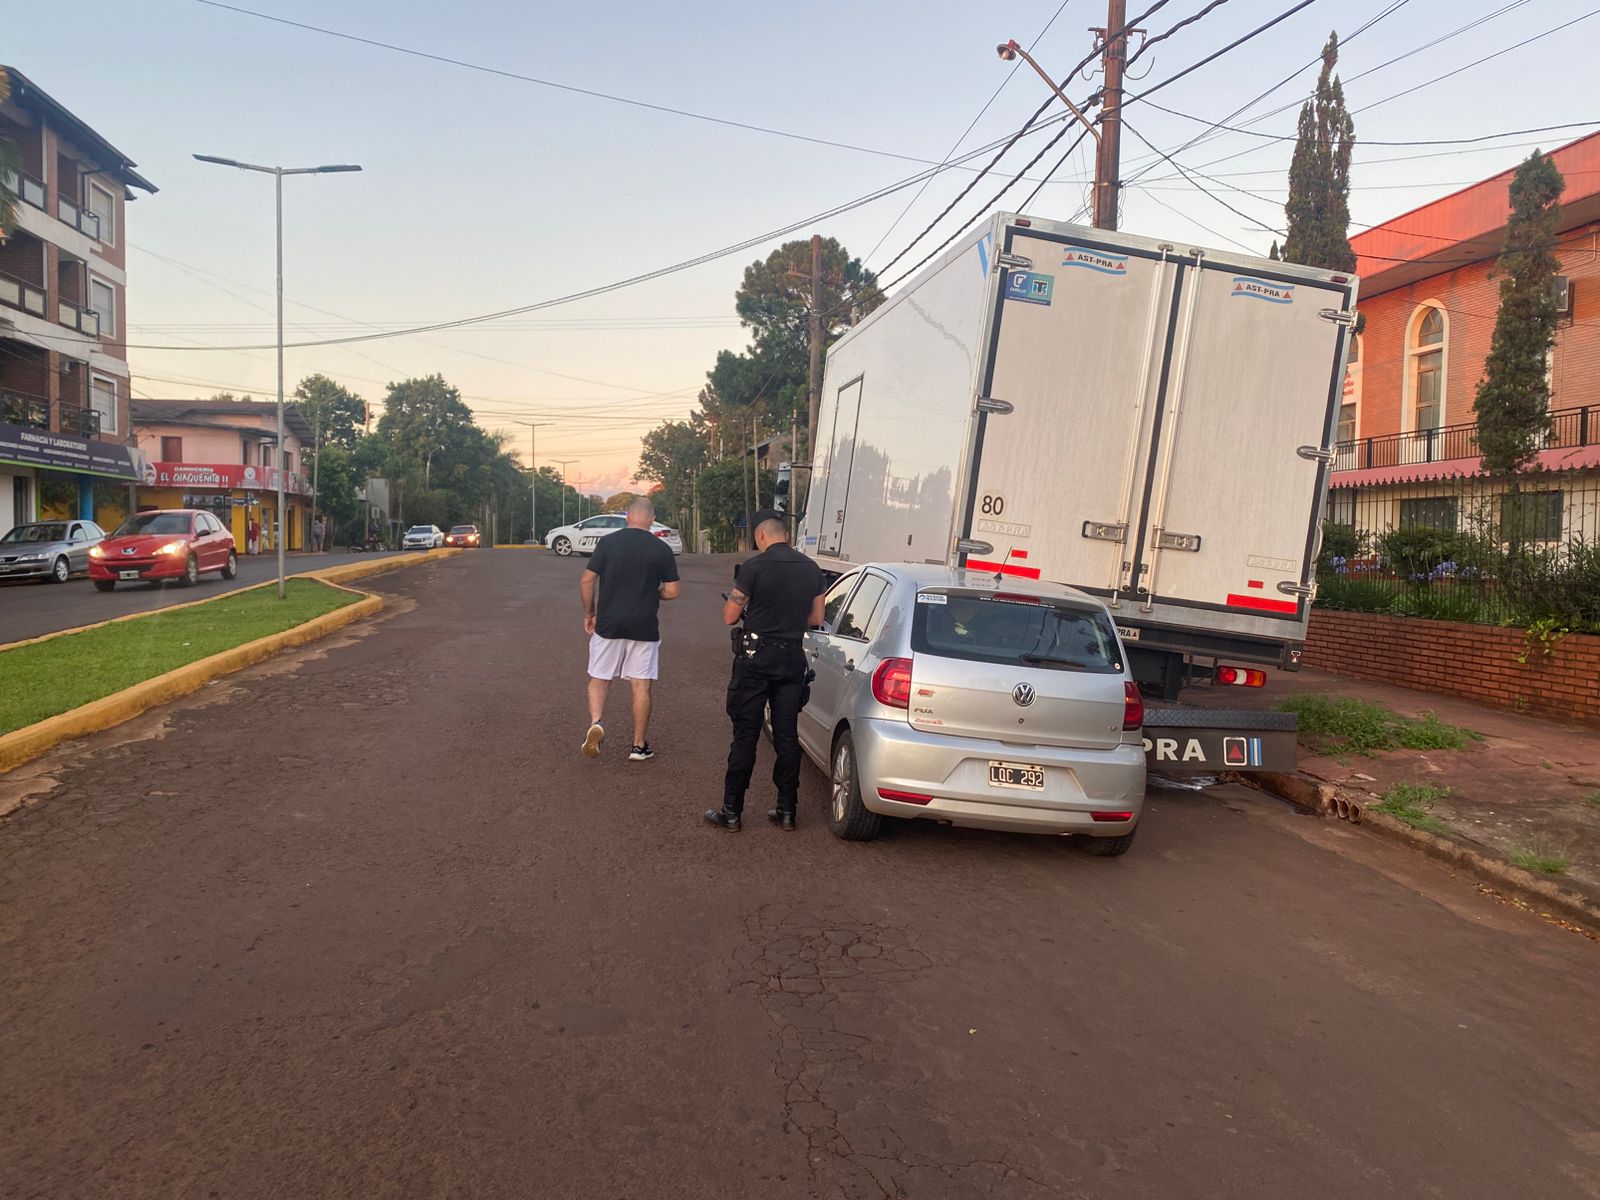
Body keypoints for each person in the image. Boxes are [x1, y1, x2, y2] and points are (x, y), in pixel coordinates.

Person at [706, 516, 826, 833]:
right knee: (787, 737)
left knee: (746, 733)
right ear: (787, 536)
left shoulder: (754, 568)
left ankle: (731, 811)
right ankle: (787, 810)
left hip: (756, 658)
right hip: (791, 658)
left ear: (761, 536)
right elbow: (815, 617)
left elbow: (730, 616)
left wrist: (753, 610)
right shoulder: (811, 568)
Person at [579, 496, 681, 762]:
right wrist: (654, 592)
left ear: (627, 516)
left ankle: (597, 723)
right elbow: (672, 591)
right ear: (651, 518)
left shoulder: (608, 542)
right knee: (640, 685)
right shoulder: (661, 549)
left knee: (600, 677)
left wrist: (590, 613)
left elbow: (587, 580)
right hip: (644, 626)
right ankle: (638, 746)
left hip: (609, 623)